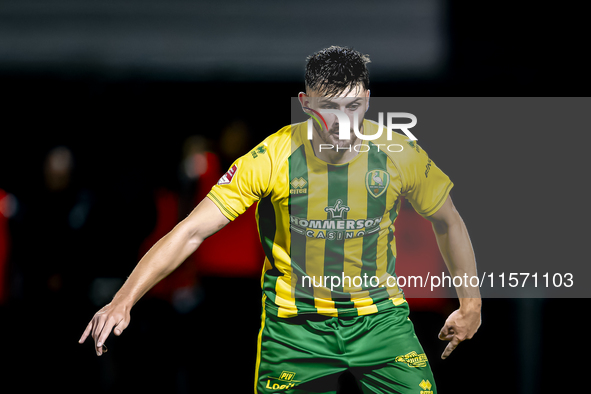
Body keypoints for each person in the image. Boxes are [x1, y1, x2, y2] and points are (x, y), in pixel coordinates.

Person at [79, 46, 481, 393]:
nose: (343, 122)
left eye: (353, 106)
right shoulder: (272, 157)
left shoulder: (398, 151)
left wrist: (470, 303)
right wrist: (124, 299)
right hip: (295, 333)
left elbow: (449, 221)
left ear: (368, 100)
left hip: (381, 325)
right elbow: (190, 231)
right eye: (330, 108)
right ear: (305, 103)